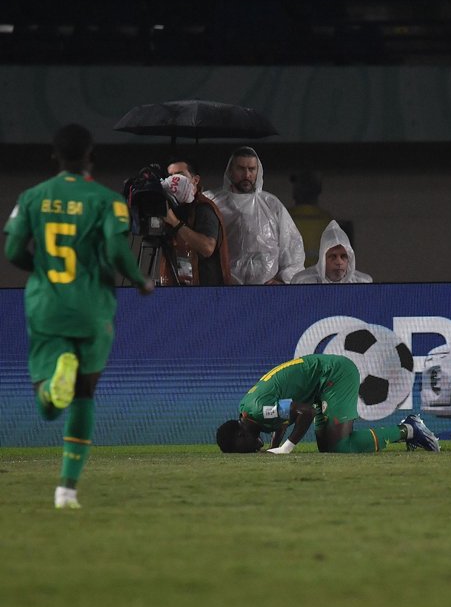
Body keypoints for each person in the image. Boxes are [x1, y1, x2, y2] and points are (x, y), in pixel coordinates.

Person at [3, 123, 155, 509]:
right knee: (85, 394)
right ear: (91, 156)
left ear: (55, 156)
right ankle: (66, 490)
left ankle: (54, 390)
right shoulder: (106, 201)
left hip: (47, 304)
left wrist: (40, 268)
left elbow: (13, 250)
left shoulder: (32, 197)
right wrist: (140, 280)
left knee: (50, 406)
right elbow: (118, 250)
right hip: (91, 306)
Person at [216, 354, 440, 454]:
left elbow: (305, 412)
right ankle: (409, 429)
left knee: (340, 446)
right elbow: (283, 417)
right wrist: (274, 445)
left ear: (241, 436)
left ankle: (409, 430)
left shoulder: (259, 411)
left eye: (241, 451)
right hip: (320, 385)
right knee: (328, 447)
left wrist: (285, 448)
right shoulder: (248, 411)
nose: (249, 453)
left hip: (334, 375)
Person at [205, 146, 305, 285]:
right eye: (241, 168)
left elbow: (292, 248)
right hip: (225, 290)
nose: (247, 175)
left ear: (258, 171)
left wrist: (283, 281)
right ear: (230, 171)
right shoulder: (213, 203)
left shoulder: (271, 205)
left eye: (251, 169)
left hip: (266, 293)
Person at [162, 158, 232, 286]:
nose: (174, 181)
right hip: (180, 289)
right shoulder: (175, 208)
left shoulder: (203, 208)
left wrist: (175, 223)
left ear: (195, 180)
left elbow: (207, 247)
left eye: (180, 175)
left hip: (205, 290)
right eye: (171, 176)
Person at [291, 219, 373, 284]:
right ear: (323, 259)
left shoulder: (363, 282)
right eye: (333, 257)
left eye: (343, 256)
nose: (339, 262)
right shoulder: (302, 282)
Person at [288, 170, 332, 268]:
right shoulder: (328, 221)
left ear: (295, 191)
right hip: (319, 280)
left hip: (290, 280)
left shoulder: (284, 218)